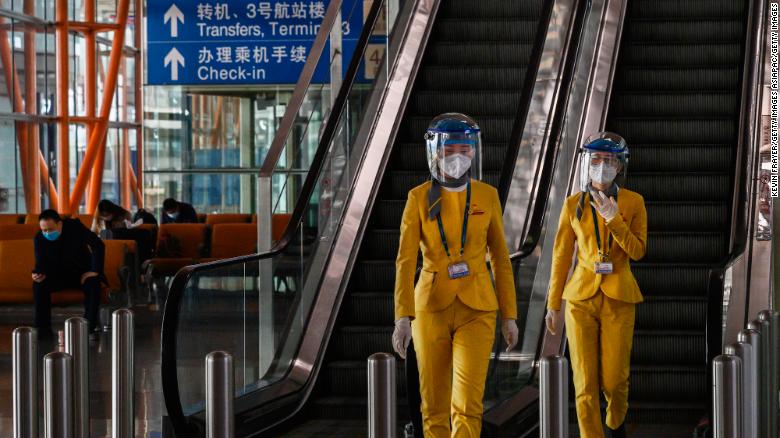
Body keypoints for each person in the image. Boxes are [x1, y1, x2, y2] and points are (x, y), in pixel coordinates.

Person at [392, 113, 519, 438]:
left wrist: (509, 315)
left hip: (477, 308)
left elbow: (500, 260)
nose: (457, 157)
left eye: (464, 150)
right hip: (430, 307)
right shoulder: (418, 198)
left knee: (467, 403)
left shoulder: (486, 196)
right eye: (449, 151)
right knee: (433, 406)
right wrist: (403, 316)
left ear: (474, 152)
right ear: (435, 152)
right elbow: (405, 261)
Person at [544, 132, 647, 438]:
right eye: (596, 160)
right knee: (584, 383)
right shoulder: (573, 204)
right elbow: (561, 256)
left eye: (609, 160)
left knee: (614, 381)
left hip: (619, 294)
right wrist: (553, 304)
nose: (602, 166)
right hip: (580, 297)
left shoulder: (634, 202)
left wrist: (614, 220)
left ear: (620, 165)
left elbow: (638, 251)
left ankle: (615, 425)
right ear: (587, 163)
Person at [33, 209, 105, 337]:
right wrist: (37, 274)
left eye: (50, 229)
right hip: (58, 275)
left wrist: (95, 270)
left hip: (81, 273)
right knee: (39, 284)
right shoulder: (39, 238)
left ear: (59, 224)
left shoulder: (74, 227)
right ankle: (43, 329)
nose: (47, 233)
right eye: (44, 230)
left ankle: (88, 328)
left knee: (93, 283)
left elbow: (98, 245)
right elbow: (40, 262)